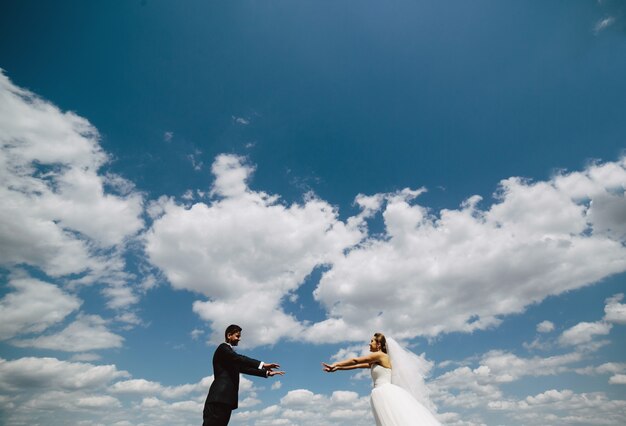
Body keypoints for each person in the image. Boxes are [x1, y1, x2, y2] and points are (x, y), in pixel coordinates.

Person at [322, 332, 441, 426]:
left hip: (385, 392)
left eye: (372, 341)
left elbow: (355, 360)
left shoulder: (380, 355)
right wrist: (337, 368)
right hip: (380, 392)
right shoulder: (376, 361)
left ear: (378, 344)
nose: (369, 344)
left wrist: (336, 363)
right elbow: (357, 366)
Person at [203, 324, 284, 426]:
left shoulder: (230, 356)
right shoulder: (223, 348)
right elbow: (239, 358)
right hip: (218, 398)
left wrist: (266, 372)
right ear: (229, 335)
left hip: (226, 399)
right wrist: (262, 364)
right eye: (237, 336)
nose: (239, 339)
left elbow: (244, 368)